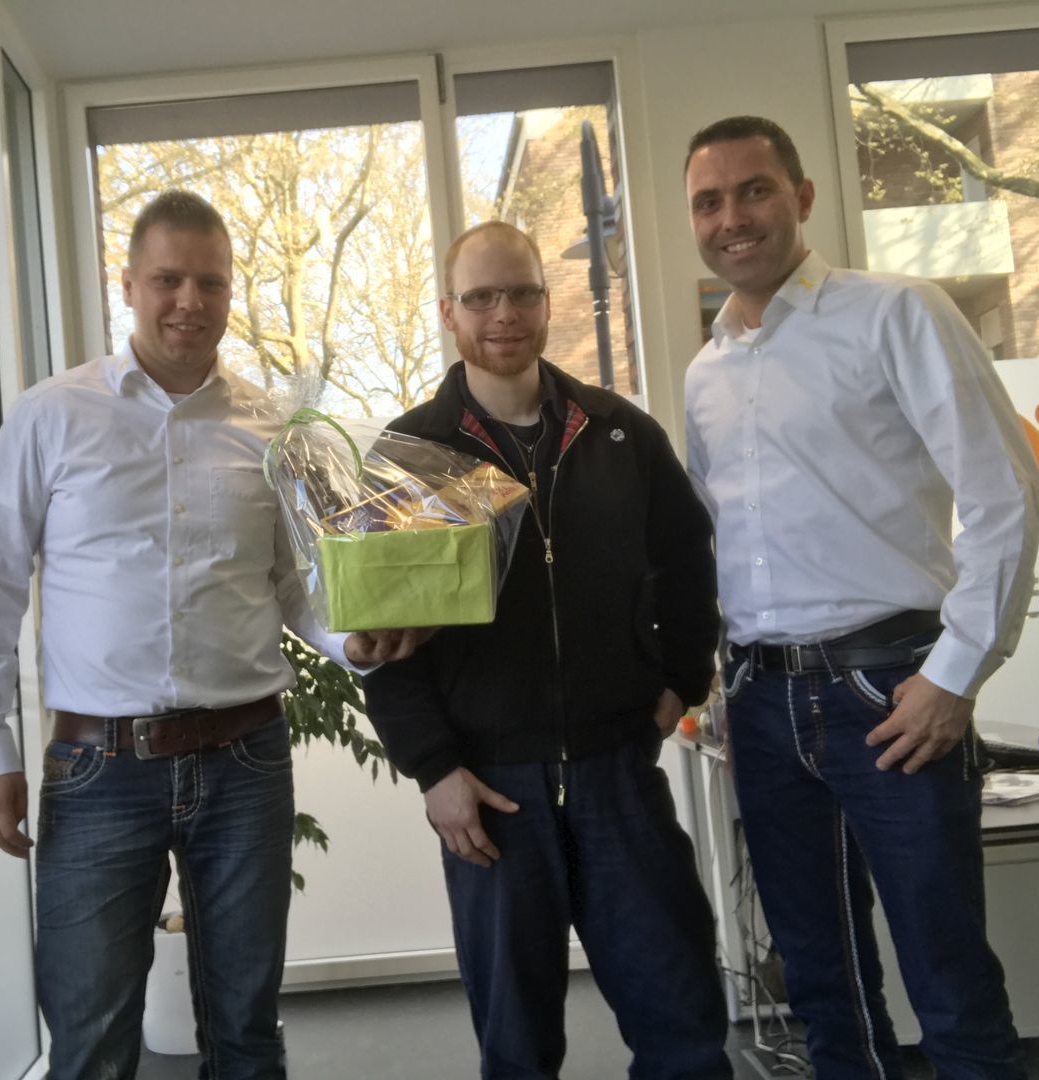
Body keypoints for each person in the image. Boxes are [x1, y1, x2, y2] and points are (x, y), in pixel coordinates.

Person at [0, 190, 419, 1080]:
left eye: (210, 283)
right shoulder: (51, 415)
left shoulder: (271, 427)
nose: (189, 302)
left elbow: (292, 583)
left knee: (247, 1039)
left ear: (231, 291)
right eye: (167, 280)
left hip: (246, 763)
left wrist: (349, 641)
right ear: (127, 285)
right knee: (91, 1048)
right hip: (97, 772)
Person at [682, 116, 1039, 1078]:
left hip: (889, 690)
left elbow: (1008, 493)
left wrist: (955, 675)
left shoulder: (898, 313)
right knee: (821, 987)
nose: (732, 218)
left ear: (801, 198)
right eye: (709, 202)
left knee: (948, 979)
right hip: (761, 701)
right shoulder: (705, 372)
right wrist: (724, 691)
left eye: (754, 190)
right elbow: (723, 541)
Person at [362, 221, 731, 1079]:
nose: (505, 314)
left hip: (616, 775)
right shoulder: (411, 455)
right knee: (518, 1048)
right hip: (492, 793)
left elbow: (686, 560)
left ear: (546, 300)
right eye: (481, 297)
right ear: (449, 312)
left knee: (682, 1024)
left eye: (522, 292)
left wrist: (683, 678)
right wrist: (434, 769)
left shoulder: (619, 432)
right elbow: (384, 641)